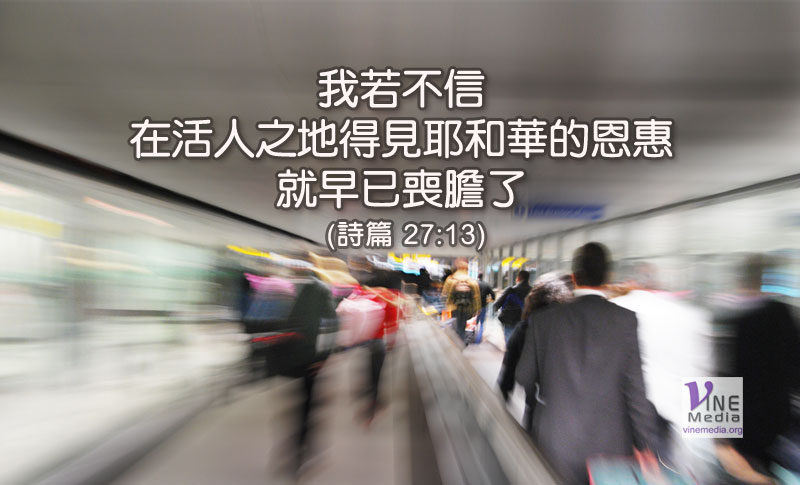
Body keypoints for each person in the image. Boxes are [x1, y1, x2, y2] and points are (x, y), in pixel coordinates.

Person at [516, 242, 658, 484]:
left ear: (573, 278)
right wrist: (647, 444)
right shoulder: (625, 321)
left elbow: (524, 376)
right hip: (610, 447)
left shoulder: (543, 320)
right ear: (608, 278)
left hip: (555, 441)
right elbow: (635, 390)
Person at [721, 255, 800, 479]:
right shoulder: (783, 314)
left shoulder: (729, 317)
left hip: (740, 425)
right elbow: (795, 369)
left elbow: (721, 376)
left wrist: (719, 437)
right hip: (776, 422)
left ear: (740, 280)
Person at [497, 272, 572, 431]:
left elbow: (513, 368)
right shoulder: (572, 326)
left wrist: (505, 391)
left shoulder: (527, 327)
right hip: (571, 413)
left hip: (538, 410)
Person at [441, 258, 481, 343]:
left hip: (453, 307)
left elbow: (444, 294)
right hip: (467, 308)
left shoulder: (451, 279)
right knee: (462, 326)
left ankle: (455, 341)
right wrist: (477, 309)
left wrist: (445, 306)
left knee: (454, 324)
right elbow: (476, 296)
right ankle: (461, 342)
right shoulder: (471, 281)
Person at [494, 269, 532, 343]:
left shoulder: (511, 290)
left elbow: (497, 304)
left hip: (510, 321)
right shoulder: (533, 291)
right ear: (528, 279)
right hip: (526, 322)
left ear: (518, 278)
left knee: (510, 342)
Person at [476, 272, 496, 340]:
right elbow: (493, 295)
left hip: (475, 306)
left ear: (478, 276)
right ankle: (478, 339)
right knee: (482, 323)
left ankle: (473, 336)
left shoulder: (475, 284)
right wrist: (489, 300)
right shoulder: (486, 285)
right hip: (483, 306)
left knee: (474, 322)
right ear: (483, 276)